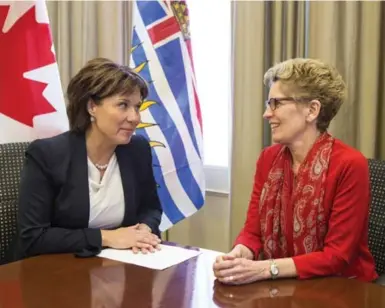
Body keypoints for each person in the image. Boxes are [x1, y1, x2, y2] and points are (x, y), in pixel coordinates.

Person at [213, 58, 378, 284]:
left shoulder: (350, 164)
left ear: (312, 110)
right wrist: (240, 254)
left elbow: (337, 256)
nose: (266, 114)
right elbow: (253, 232)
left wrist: (264, 269)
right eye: (267, 103)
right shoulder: (267, 159)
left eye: (276, 103)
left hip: (343, 288)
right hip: (283, 286)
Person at [9, 58, 162, 261]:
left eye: (137, 107)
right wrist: (106, 237)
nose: (135, 117)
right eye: (123, 105)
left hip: (116, 265)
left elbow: (150, 208)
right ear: (92, 107)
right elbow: (33, 236)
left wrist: (145, 228)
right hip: (50, 272)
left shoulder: (137, 149)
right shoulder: (47, 154)